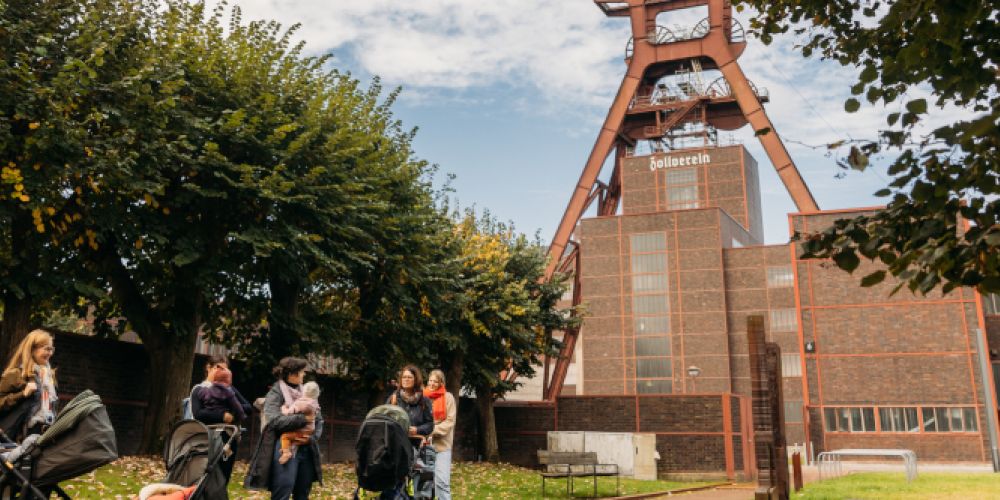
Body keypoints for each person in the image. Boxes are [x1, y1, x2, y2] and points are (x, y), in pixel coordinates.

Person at [244, 357, 323, 500]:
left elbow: (319, 420)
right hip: (284, 448)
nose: (304, 375)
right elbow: (275, 421)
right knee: (283, 491)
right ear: (292, 374)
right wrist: (303, 419)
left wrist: (312, 438)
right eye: (301, 372)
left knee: (303, 492)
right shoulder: (275, 394)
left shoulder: (306, 392)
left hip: (307, 448)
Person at [189, 355, 251, 483]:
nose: (222, 372)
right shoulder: (199, 390)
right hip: (207, 438)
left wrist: (232, 412)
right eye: (219, 368)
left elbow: (248, 407)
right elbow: (198, 414)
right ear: (208, 368)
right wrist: (222, 415)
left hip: (229, 437)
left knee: (224, 475)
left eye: (225, 369)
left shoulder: (229, 389)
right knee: (205, 475)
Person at [0, 329, 58, 443]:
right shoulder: (16, 374)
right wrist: (22, 394)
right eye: (47, 349)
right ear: (32, 349)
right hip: (20, 437)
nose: (50, 353)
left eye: (52, 349)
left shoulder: (49, 377)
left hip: (45, 432)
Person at [424, 369, 456, 500]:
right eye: (430, 381)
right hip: (423, 446)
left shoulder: (448, 398)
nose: (431, 384)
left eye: (435, 381)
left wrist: (431, 430)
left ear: (441, 382)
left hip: (442, 446)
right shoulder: (422, 397)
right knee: (423, 483)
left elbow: (449, 421)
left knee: (442, 482)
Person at [385, 365, 433, 444]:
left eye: (409, 377)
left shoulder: (423, 400)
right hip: (395, 444)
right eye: (404, 377)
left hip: (415, 446)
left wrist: (417, 429)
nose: (406, 380)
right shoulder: (393, 398)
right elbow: (385, 420)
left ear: (416, 380)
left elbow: (430, 424)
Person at [277, 381, 320, 465]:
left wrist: (283, 408)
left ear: (304, 391)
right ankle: (287, 448)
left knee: (285, 437)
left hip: (302, 431)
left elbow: (289, 412)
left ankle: (286, 453)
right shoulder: (314, 404)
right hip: (310, 430)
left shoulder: (302, 403)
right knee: (295, 440)